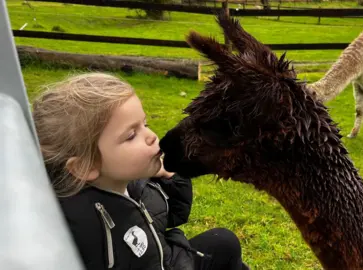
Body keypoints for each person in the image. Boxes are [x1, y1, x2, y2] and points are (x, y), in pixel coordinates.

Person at [32, 72, 249, 270]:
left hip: (166, 260)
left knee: (224, 243)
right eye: (130, 135)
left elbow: (174, 215)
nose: (151, 136)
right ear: (85, 166)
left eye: (144, 124)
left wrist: (170, 176)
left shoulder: (136, 184)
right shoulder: (76, 226)